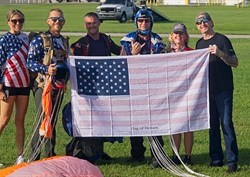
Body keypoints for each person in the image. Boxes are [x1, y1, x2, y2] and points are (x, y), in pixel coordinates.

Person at [70, 12, 123, 162]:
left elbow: (119, 51)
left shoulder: (106, 39)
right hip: (88, 90)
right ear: (84, 25)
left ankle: (98, 151)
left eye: (94, 23)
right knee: (90, 120)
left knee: (103, 120)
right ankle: (87, 151)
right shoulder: (81, 44)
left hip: (105, 88)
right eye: (88, 23)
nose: (92, 26)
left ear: (99, 23)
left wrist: (132, 50)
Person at [120, 8, 166, 168]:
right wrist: (131, 55)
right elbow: (121, 64)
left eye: (147, 20)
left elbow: (164, 65)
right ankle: (137, 154)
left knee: (155, 122)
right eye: (140, 20)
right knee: (135, 122)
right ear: (136, 22)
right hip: (134, 87)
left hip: (153, 88)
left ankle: (157, 156)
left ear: (151, 22)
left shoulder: (157, 41)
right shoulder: (127, 41)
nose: (144, 23)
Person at [195, 12, 239, 173]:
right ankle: (216, 158)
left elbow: (235, 62)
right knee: (212, 126)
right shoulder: (199, 44)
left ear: (211, 22)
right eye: (199, 23)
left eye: (205, 21)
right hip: (207, 91)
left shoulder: (222, 40)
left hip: (224, 90)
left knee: (226, 124)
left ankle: (232, 160)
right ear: (197, 27)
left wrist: (220, 53)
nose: (202, 24)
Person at [27, 8, 70, 161]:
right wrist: (46, 69)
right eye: (54, 19)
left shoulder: (64, 41)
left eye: (60, 20)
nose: (57, 22)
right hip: (43, 85)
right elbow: (30, 61)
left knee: (52, 120)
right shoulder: (41, 39)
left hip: (59, 87)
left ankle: (49, 155)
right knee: (43, 119)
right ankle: (34, 157)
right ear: (48, 21)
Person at [0, 9, 30, 165]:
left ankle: (20, 156)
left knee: (20, 120)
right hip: (8, 84)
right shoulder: (4, 39)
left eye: (20, 20)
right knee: (3, 120)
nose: (18, 24)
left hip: (24, 84)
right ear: (8, 22)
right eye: (14, 21)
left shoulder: (27, 38)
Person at [167, 23, 194, 165]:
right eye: (175, 34)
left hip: (188, 94)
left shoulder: (192, 52)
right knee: (175, 127)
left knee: (188, 127)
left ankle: (188, 156)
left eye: (181, 34)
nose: (178, 36)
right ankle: (175, 155)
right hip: (173, 95)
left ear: (186, 37)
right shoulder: (166, 54)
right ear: (172, 36)